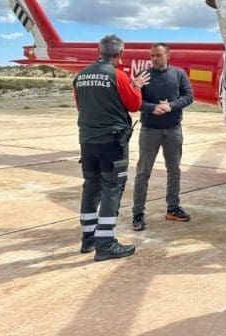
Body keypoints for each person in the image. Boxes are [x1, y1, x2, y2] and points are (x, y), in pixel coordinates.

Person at [74, 34, 148, 261]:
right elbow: (135, 105)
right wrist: (136, 86)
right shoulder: (118, 76)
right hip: (112, 142)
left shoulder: (80, 76)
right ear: (120, 54)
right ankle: (105, 244)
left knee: (91, 186)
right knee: (112, 189)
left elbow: (80, 106)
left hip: (87, 141)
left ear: (99, 50)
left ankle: (88, 239)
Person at [131, 43, 194, 232]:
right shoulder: (144, 77)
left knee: (174, 171)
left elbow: (189, 96)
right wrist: (153, 108)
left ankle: (173, 208)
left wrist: (171, 106)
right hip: (149, 130)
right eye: (152, 56)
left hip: (173, 130)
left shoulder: (179, 74)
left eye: (158, 55)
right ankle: (138, 213)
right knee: (143, 172)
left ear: (168, 55)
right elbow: (135, 101)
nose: (155, 59)